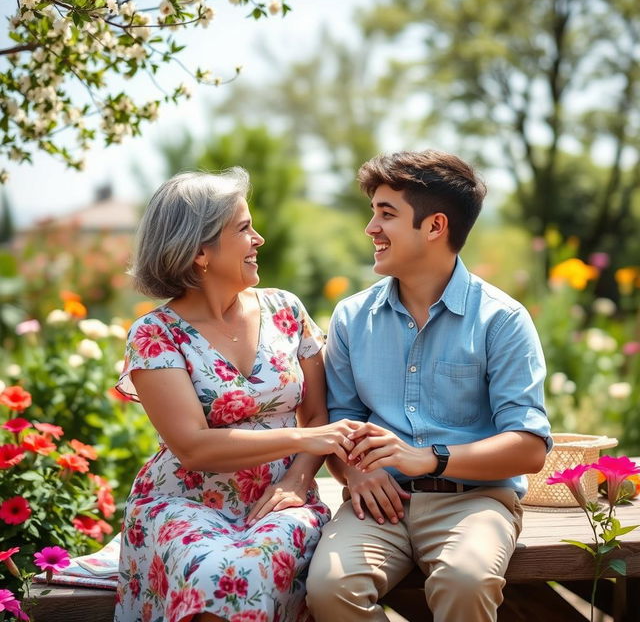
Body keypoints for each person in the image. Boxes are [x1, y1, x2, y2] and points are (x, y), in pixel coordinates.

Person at [306, 150, 552, 622]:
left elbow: (529, 446)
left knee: (466, 581)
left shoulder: (501, 320)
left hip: (475, 501)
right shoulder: (352, 318)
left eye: (386, 214)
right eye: (373, 212)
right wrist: (355, 473)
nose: (370, 228)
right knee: (329, 588)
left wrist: (431, 457)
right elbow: (339, 420)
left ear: (435, 226)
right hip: (379, 503)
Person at [113, 168, 358, 622]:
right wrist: (306, 440)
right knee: (213, 573)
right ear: (200, 251)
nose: (259, 239)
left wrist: (299, 479)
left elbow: (318, 412)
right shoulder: (154, 334)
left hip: (281, 497)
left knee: (250, 567)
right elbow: (193, 446)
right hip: (185, 501)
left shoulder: (286, 310)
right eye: (244, 228)